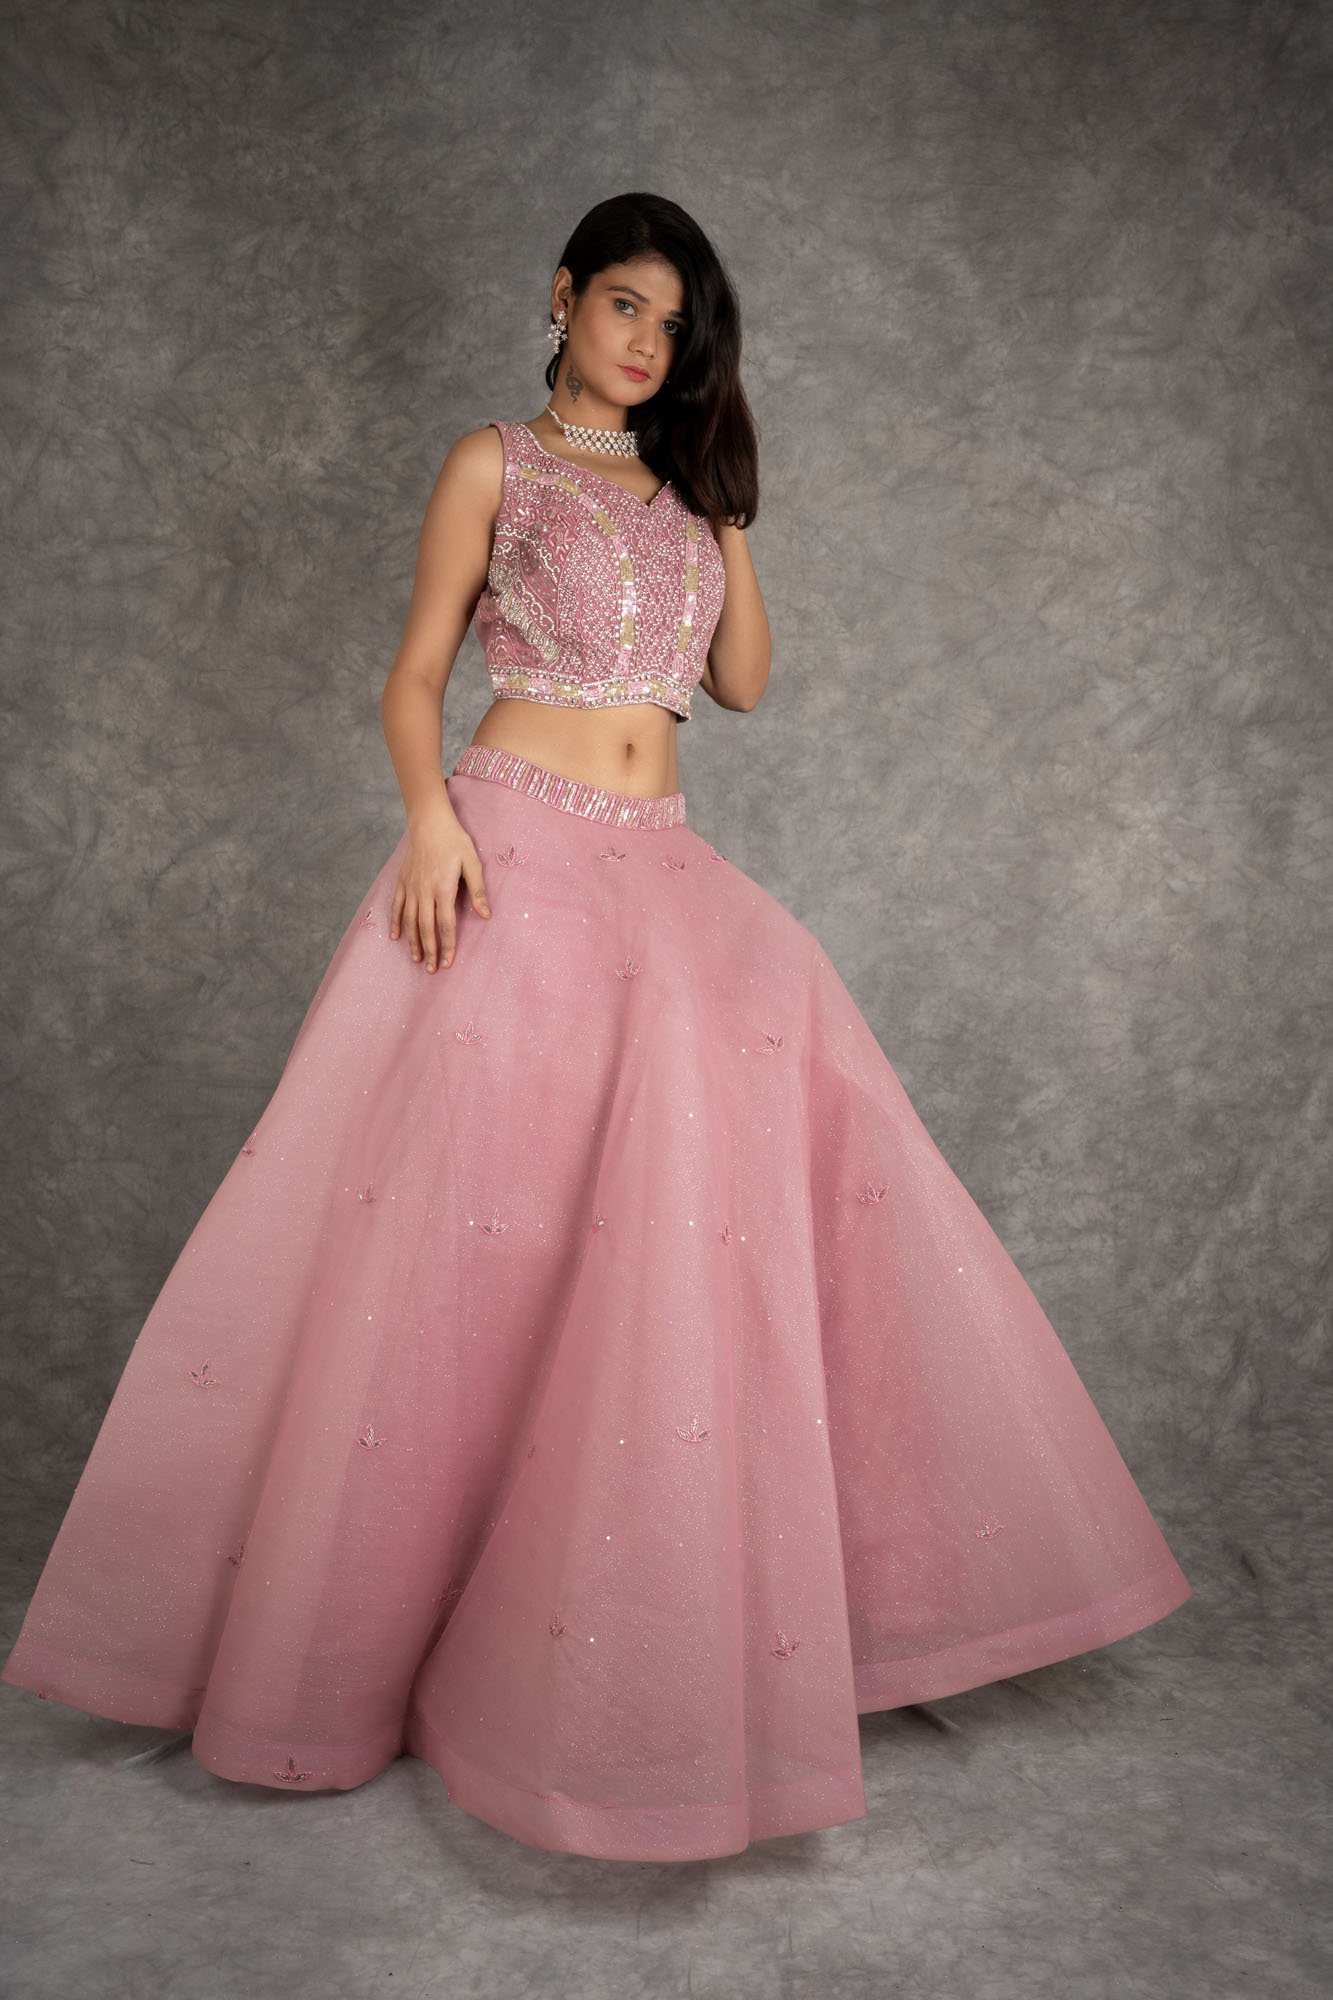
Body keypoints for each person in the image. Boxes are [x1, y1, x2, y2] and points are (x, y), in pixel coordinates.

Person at [1, 192, 1192, 1863]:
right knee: (461, 1245)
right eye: (623, 305)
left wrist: (731, 513)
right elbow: (413, 673)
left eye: (672, 326)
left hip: (661, 865)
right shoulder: (492, 463)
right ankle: (350, 1655)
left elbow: (745, 683)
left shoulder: (687, 493)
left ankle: (655, 1637)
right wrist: (432, 823)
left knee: (702, 1189)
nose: (644, 343)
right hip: (510, 845)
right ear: (560, 298)